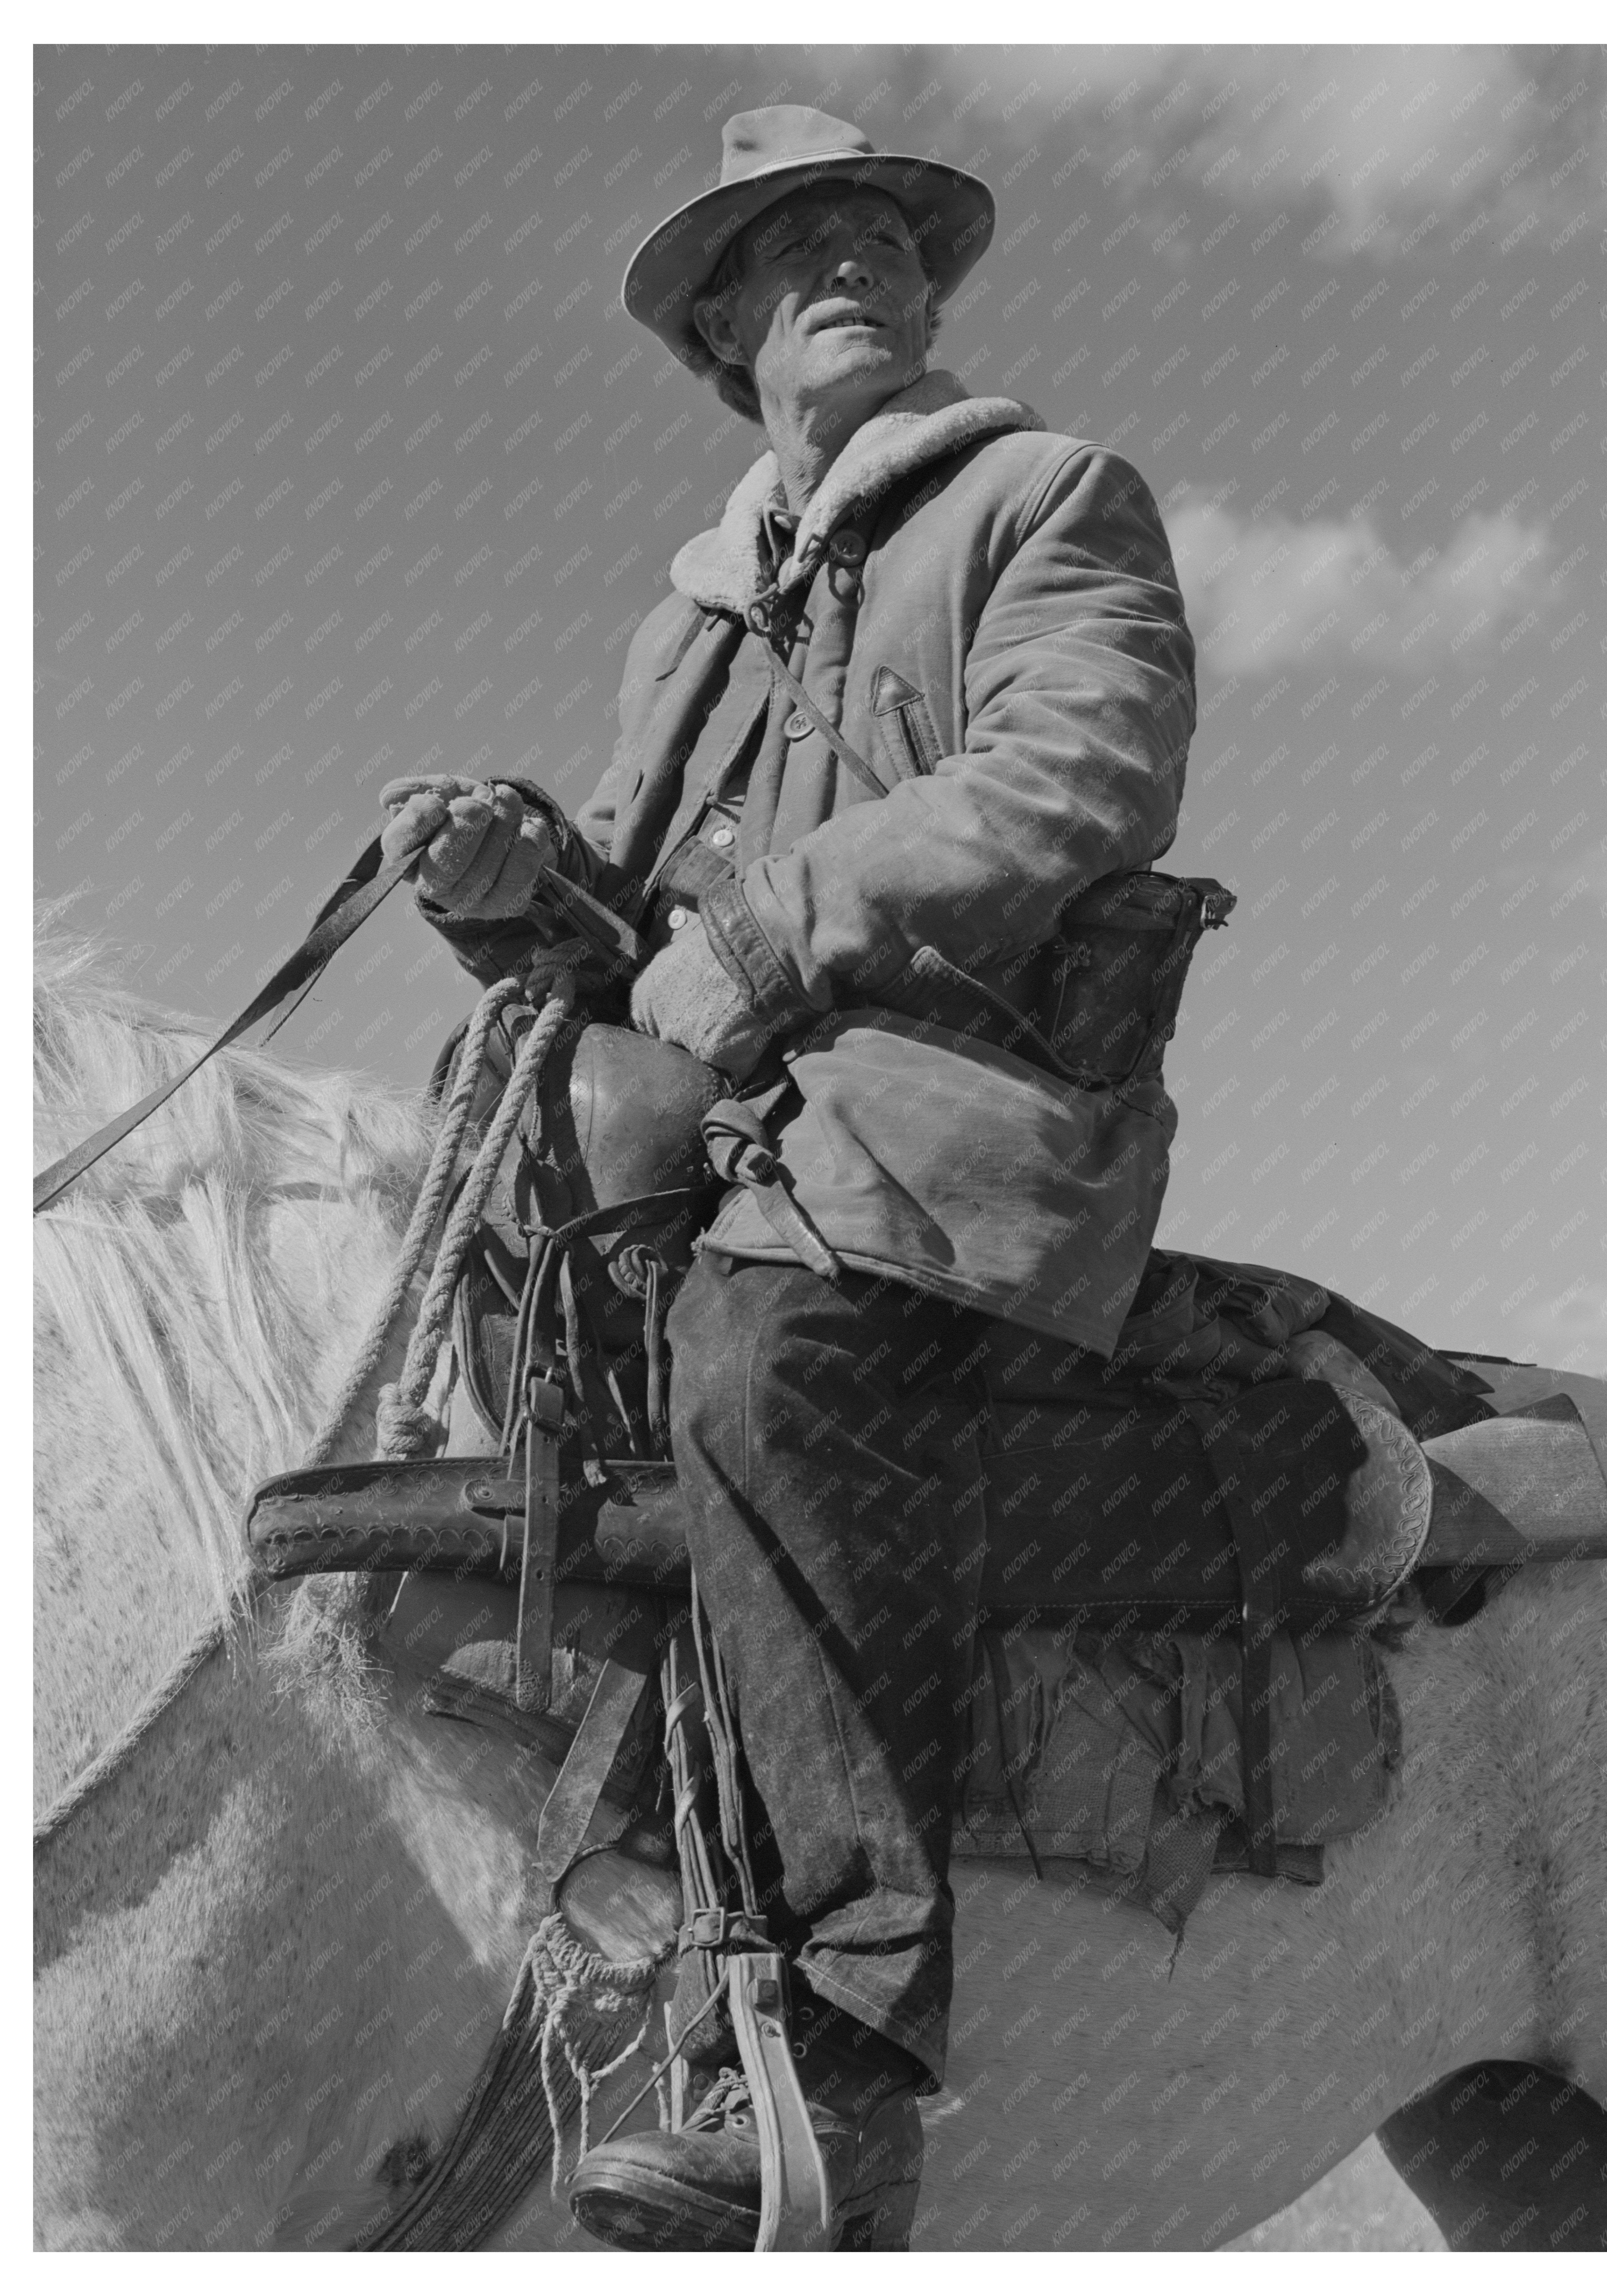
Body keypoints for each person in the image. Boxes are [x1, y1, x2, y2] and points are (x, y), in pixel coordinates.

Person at [383, 103, 1197, 2248]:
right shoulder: (688, 629)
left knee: (760, 1364)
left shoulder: (1047, 496)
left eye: (882, 234)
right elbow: (624, 949)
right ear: (727, 331)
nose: (850, 257)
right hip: (723, 1137)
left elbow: (1077, 777)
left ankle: (831, 2053)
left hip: (950, 1127)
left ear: (927, 297)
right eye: (795, 243)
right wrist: (509, 889)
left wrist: (762, 941)